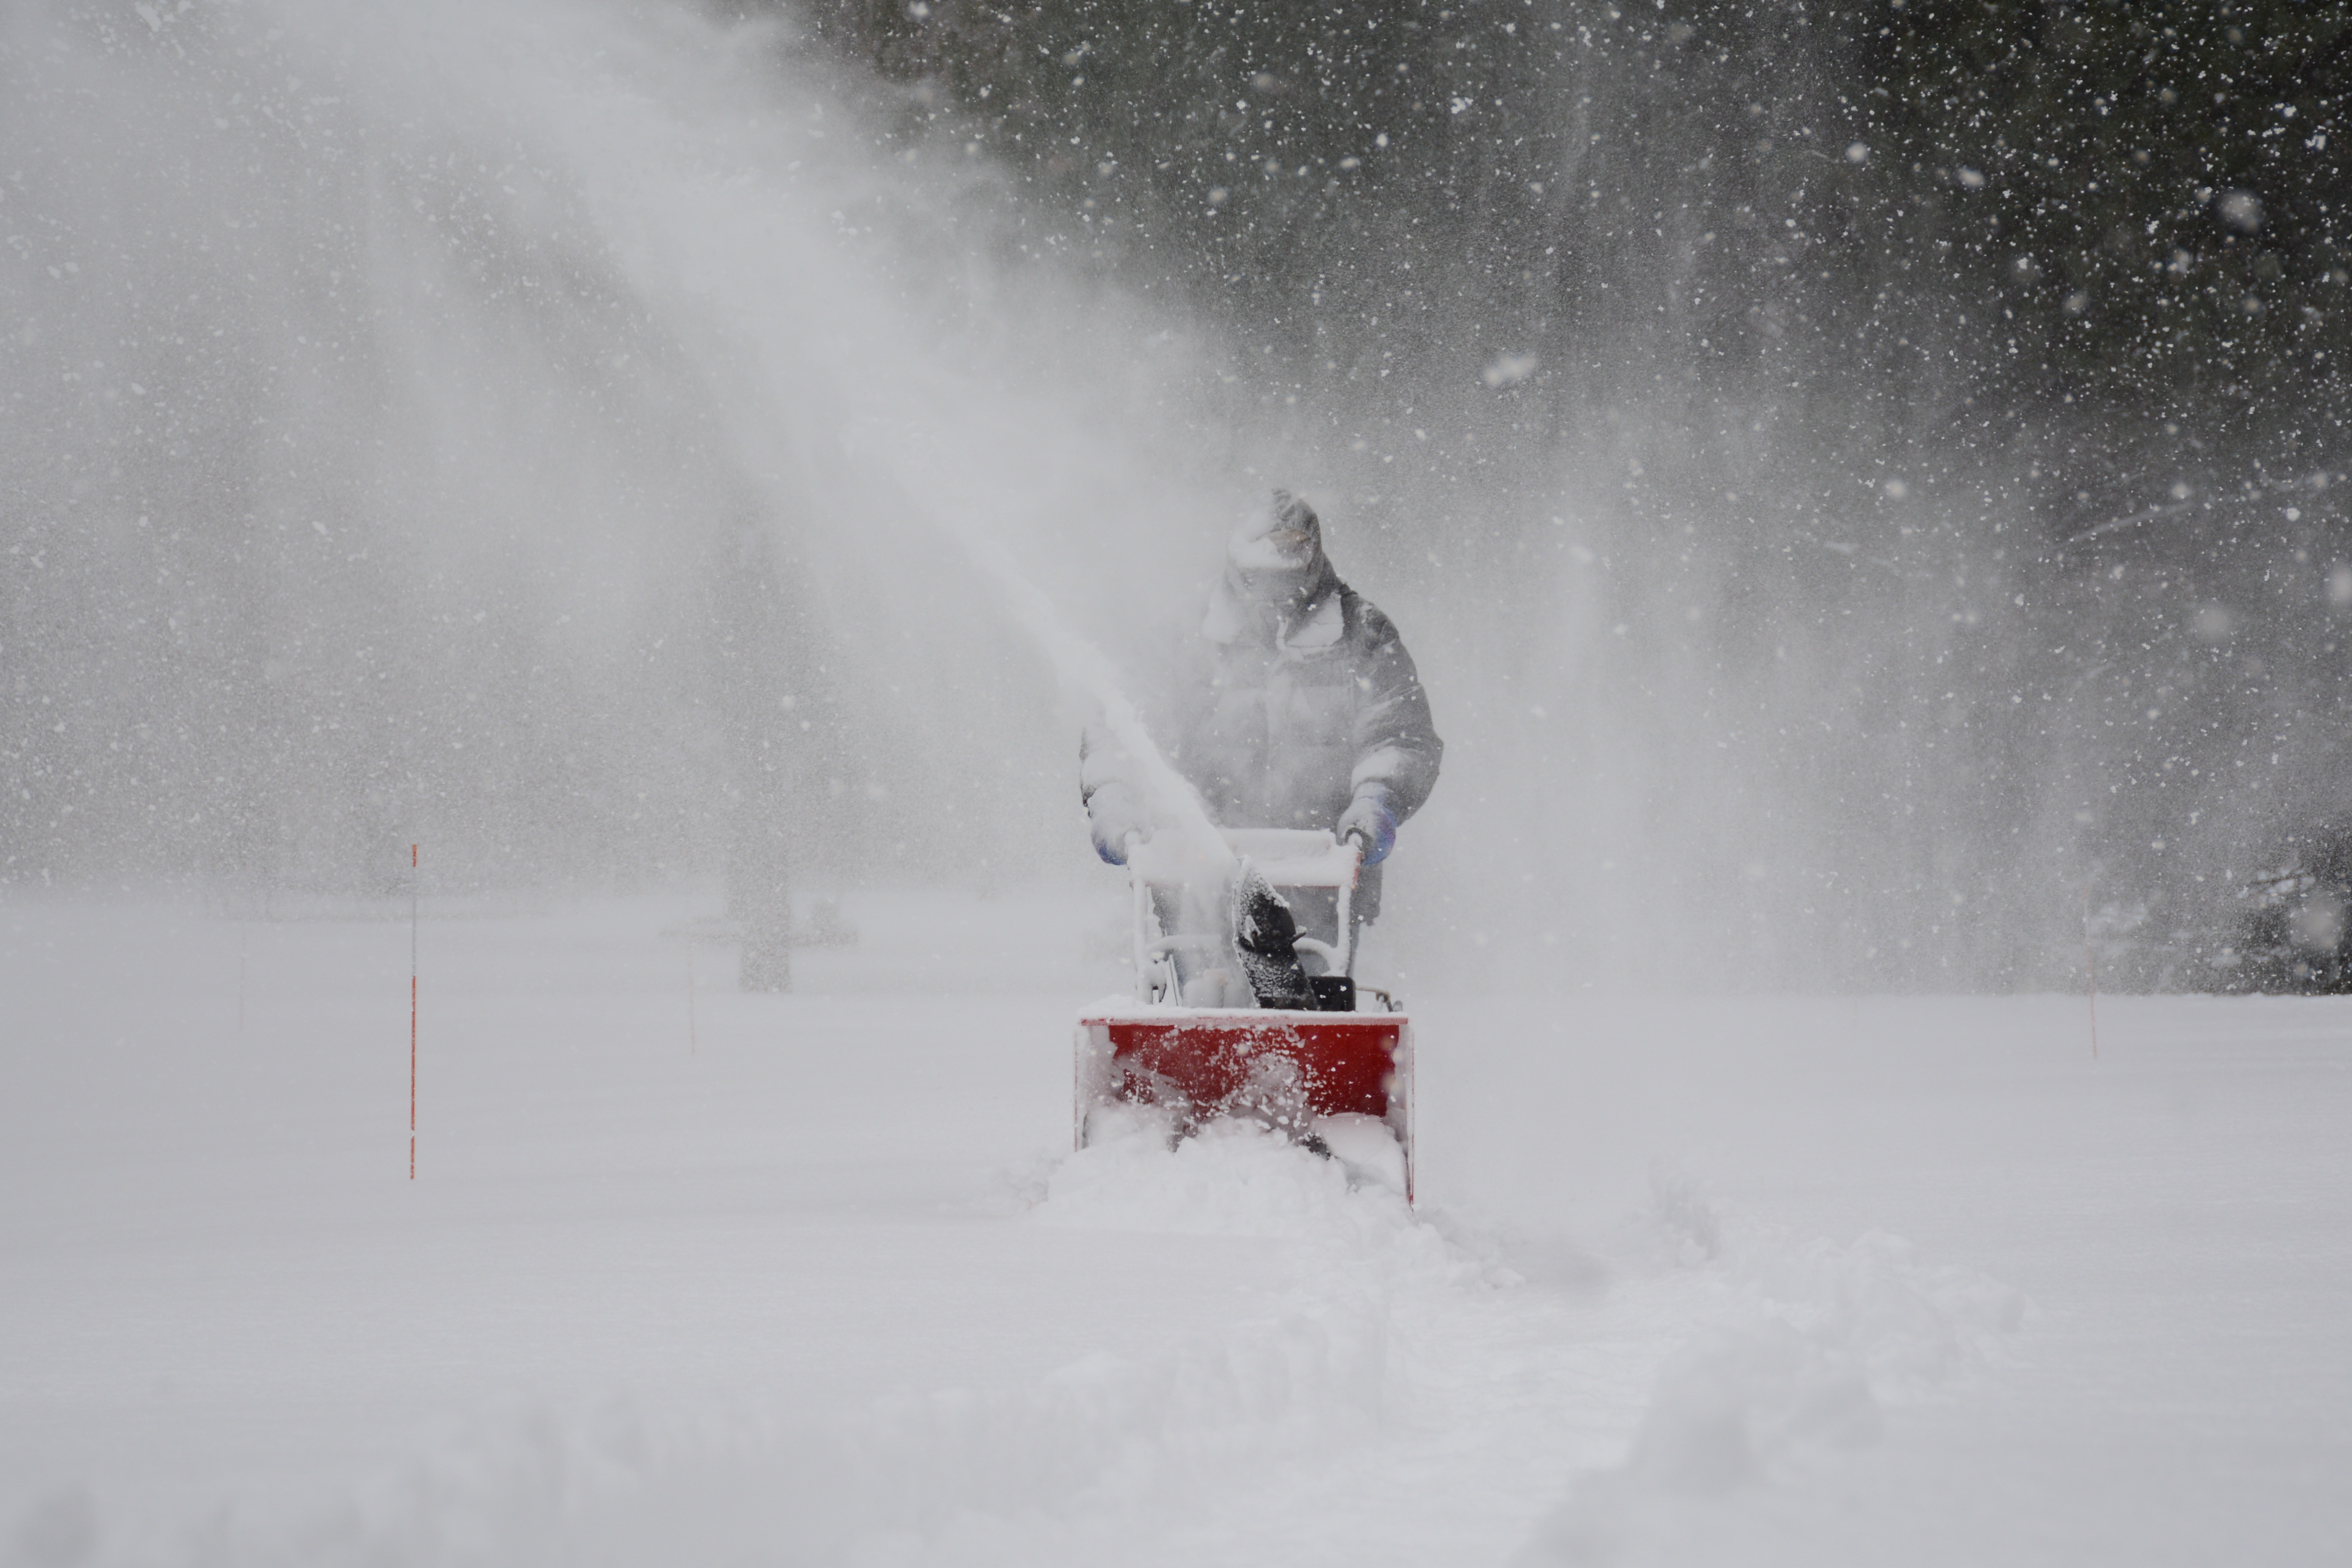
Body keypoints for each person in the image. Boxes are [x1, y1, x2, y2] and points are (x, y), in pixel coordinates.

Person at [1081, 490, 1443, 1004]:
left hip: (1323, 870)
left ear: (1312, 567)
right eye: (1260, 579)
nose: (1275, 597)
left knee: (1310, 1007)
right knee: (1206, 1001)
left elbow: (1397, 731)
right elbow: (1125, 729)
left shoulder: (1362, 635)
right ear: (1235, 567)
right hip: (1194, 868)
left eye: (1289, 580)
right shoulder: (1184, 637)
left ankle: (1305, 1077)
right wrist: (1116, 800)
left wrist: (1376, 802)